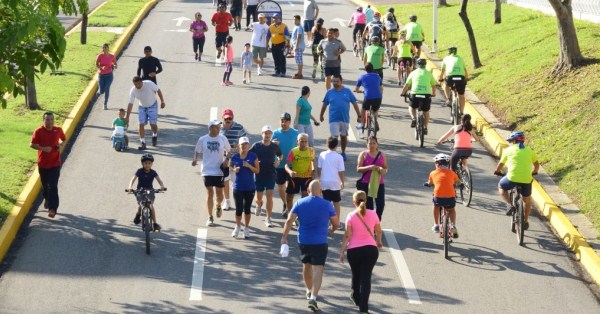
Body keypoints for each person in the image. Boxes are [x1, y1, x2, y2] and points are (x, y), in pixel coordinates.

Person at [281, 180, 339, 312]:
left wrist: (284, 237)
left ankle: (308, 290)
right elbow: (336, 223)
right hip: (320, 241)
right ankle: (313, 297)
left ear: (308, 191)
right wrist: (331, 230)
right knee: (318, 269)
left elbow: (290, 220)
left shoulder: (300, 203)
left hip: (304, 241)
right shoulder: (327, 205)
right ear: (321, 191)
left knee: (306, 265)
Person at [339, 190, 383, 314]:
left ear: (354, 202)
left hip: (354, 250)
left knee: (356, 273)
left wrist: (342, 251)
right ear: (366, 200)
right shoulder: (373, 214)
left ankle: (355, 296)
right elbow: (378, 231)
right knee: (366, 277)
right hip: (370, 250)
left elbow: (347, 235)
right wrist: (378, 241)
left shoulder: (351, 216)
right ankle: (363, 308)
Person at [494, 132, 539, 229]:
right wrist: (534, 172)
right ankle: (525, 221)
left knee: (501, 186)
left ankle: (509, 205)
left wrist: (497, 171)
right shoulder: (529, 151)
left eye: (511, 141)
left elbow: (500, 165)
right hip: (527, 179)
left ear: (514, 141)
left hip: (512, 178)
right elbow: (536, 165)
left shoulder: (508, 150)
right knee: (527, 200)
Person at [192, 119, 232, 227]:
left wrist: (226, 160)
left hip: (219, 170)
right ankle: (210, 217)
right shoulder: (203, 139)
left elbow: (229, 150)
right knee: (209, 192)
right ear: (210, 128)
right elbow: (197, 150)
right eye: (216, 127)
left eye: (219, 127)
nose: (218, 129)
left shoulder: (223, 138)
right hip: (207, 170)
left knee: (219, 194)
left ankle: (218, 204)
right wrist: (195, 159)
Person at [30, 112, 66, 218]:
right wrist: (43, 148)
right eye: (47, 119)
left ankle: (52, 209)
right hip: (43, 164)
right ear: (43, 120)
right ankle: (46, 197)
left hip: (55, 163)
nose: (49, 122)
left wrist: (60, 145)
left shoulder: (58, 130)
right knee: (45, 186)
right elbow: (31, 144)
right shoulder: (39, 131)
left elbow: (63, 139)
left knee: (53, 186)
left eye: (51, 119)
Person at [320, 74, 361, 161]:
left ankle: (343, 152)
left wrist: (359, 115)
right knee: (334, 137)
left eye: (337, 81)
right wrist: (321, 115)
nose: (335, 83)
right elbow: (324, 104)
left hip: (344, 119)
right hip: (333, 119)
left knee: (343, 136)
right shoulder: (329, 92)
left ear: (341, 82)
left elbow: (354, 103)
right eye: (334, 81)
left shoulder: (347, 91)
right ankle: (333, 153)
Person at [250, 125, 283, 227]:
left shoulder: (274, 146)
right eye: (266, 133)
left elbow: (280, 155)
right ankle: (259, 204)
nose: (267, 135)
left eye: (269, 133)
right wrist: (254, 162)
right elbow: (249, 155)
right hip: (259, 174)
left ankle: (268, 218)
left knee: (269, 195)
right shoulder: (256, 146)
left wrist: (278, 161)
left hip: (270, 174)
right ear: (262, 134)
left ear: (271, 135)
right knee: (259, 197)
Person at [127, 153, 166, 231]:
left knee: (150, 205)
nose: (147, 165)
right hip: (140, 190)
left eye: (149, 163)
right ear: (142, 163)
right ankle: (138, 215)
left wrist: (162, 186)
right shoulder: (139, 171)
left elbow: (159, 180)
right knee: (141, 203)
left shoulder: (153, 172)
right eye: (145, 163)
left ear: (152, 164)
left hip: (150, 190)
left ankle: (155, 224)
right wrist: (130, 187)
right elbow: (133, 179)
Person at [230, 136, 260, 239]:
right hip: (238, 187)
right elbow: (230, 166)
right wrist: (234, 170)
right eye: (242, 144)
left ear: (248, 145)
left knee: (247, 209)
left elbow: (257, 170)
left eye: (246, 144)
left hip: (250, 187)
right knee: (238, 209)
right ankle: (237, 227)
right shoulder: (235, 156)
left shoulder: (253, 156)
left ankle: (246, 228)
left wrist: (249, 166)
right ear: (239, 145)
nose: (244, 146)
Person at [125, 76, 166, 150]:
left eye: (139, 83)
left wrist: (162, 101)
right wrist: (127, 117)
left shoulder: (149, 84)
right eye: (135, 84)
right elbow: (130, 103)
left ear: (142, 82)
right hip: (142, 107)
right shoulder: (133, 90)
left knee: (153, 124)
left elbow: (158, 90)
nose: (137, 86)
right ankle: (143, 143)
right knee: (140, 124)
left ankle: (154, 134)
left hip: (152, 105)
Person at [426, 153, 461, 237]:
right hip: (450, 197)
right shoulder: (452, 173)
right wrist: (460, 184)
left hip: (438, 197)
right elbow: (458, 182)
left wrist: (428, 184)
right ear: (448, 164)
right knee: (451, 210)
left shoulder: (433, 173)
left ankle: (436, 225)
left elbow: (430, 183)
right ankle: (453, 226)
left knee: (436, 207)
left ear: (437, 164)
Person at [272, 112, 299, 217]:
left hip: (291, 165)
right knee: (280, 187)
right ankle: (285, 203)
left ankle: (288, 206)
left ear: (289, 122)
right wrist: (273, 144)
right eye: (282, 121)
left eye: (286, 121)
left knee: (289, 188)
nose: (284, 123)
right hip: (279, 165)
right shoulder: (275, 133)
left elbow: (299, 147)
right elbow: (270, 147)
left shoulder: (295, 133)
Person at [400, 58, 437, 135]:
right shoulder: (428, 73)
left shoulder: (413, 73)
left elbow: (406, 85)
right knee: (426, 111)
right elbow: (433, 85)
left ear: (417, 65)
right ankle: (425, 127)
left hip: (415, 94)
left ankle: (413, 118)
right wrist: (433, 93)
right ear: (425, 65)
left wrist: (403, 93)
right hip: (426, 95)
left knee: (411, 107)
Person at [220, 108, 247, 211]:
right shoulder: (218, 127)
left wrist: (239, 147)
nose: (228, 120)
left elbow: (245, 141)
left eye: (230, 118)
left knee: (237, 181)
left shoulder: (239, 128)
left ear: (233, 118)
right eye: (226, 118)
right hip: (223, 158)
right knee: (225, 181)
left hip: (236, 158)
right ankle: (227, 201)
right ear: (222, 118)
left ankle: (241, 199)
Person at [356, 136, 388, 221]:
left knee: (381, 204)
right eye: (370, 143)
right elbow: (358, 169)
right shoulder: (363, 154)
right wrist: (369, 167)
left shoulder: (382, 155)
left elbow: (385, 168)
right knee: (369, 206)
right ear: (366, 144)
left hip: (379, 183)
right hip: (365, 183)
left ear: (377, 144)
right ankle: (369, 224)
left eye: (374, 143)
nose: (372, 145)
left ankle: (376, 221)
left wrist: (383, 171)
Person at [317, 137, 345, 229]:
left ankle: (325, 221)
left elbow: (319, 168)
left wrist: (320, 178)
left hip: (324, 182)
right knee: (336, 202)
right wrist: (342, 182)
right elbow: (341, 171)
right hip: (335, 182)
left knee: (326, 202)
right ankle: (336, 222)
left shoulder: (322, 154)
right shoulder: (339, 157)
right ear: (337, 146)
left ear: (327, 144)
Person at [284, 133, 316, 214]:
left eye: (306, 141)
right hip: (295, 177)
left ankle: (301, 214)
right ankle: (290, 213)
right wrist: (290, 171)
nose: (304, 143)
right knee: (289, 197)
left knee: (305, 196)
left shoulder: (311, 150)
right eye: (302, 141)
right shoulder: (293, 151)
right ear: (297, 141)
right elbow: (286, 165)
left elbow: (312, 161)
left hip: (307, 177)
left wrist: (313, 170)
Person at [438, 46, 469, 115]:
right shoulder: (460, 59)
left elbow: (442, 71)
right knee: (461, 95)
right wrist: (467, 78)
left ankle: (448, 99)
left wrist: (440, 78)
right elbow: (465, 70)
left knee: (446, 84)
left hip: (450, 78)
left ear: (449, 52)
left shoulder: (446, 58)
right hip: (461, 78)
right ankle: (461, 113)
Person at [355, 63, 383, 136]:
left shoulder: (362, 77)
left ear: (365, 69)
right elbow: (381, 88)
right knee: (375, 110)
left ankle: (361, 125)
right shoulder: (377, 76)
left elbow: (356, 89)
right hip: (378, 98)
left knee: (363, 109)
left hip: (368, 97)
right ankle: (375, 120)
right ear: (373, 69)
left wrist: (360, 91)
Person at [267, 13, 290, 77]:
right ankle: (277, 71)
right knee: (275, 59)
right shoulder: (271, 26)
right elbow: (268, 36)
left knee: (282, 59)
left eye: (276, 18)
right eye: (274, 18)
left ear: (279, 18)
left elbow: (287, 36)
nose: (275, 19)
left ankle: (283, 72)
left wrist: (288, 44)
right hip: (274, 45)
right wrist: (267, 44)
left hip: (281, 44)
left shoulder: (284, 26)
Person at [95, 43, 117, 110]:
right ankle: (99, 91)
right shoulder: (100, 56)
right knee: (102, 91)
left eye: (105, 48)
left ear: (108, 48)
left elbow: (115, 63)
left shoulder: (112, 56)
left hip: (109, 76)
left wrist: (115, 66)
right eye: (103, 48)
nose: (104, 49)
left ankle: (105, 104)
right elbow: (96, 64)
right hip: (101, 76)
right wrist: (101, 67)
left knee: (107, 89)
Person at [292, 15, 306, 79]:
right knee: (297, 60)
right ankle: (299, 72)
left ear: (299, 20)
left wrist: (296, 47)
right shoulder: (296, 26)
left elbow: (299, 37)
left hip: (299, 46)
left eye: (295, 19)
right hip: (296, 45)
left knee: (299, 60)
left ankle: (300, 74)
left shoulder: (299, 27)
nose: (294, 21)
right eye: (294, 19)